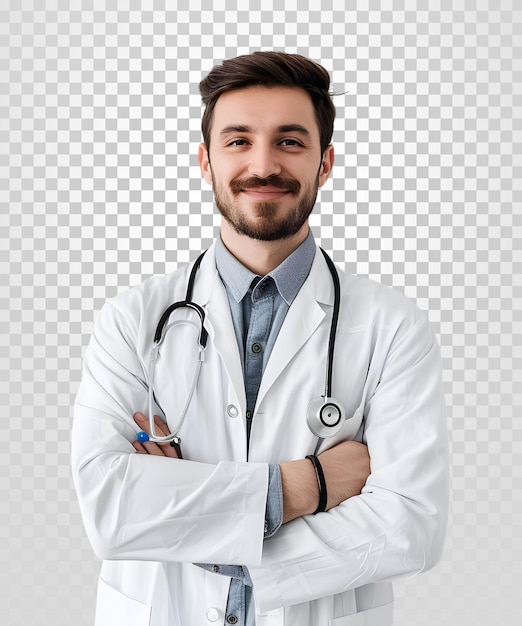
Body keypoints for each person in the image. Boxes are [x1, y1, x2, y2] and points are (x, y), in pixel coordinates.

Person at [72, 51, 449, 626]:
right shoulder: (133, 320)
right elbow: (109, 510)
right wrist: (309, 485)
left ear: (325, 164)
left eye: (290, 142)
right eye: (239, 141)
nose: (263, 164)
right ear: (206, 162)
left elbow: (411, 525)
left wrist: (186, 517)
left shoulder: (393, 327)